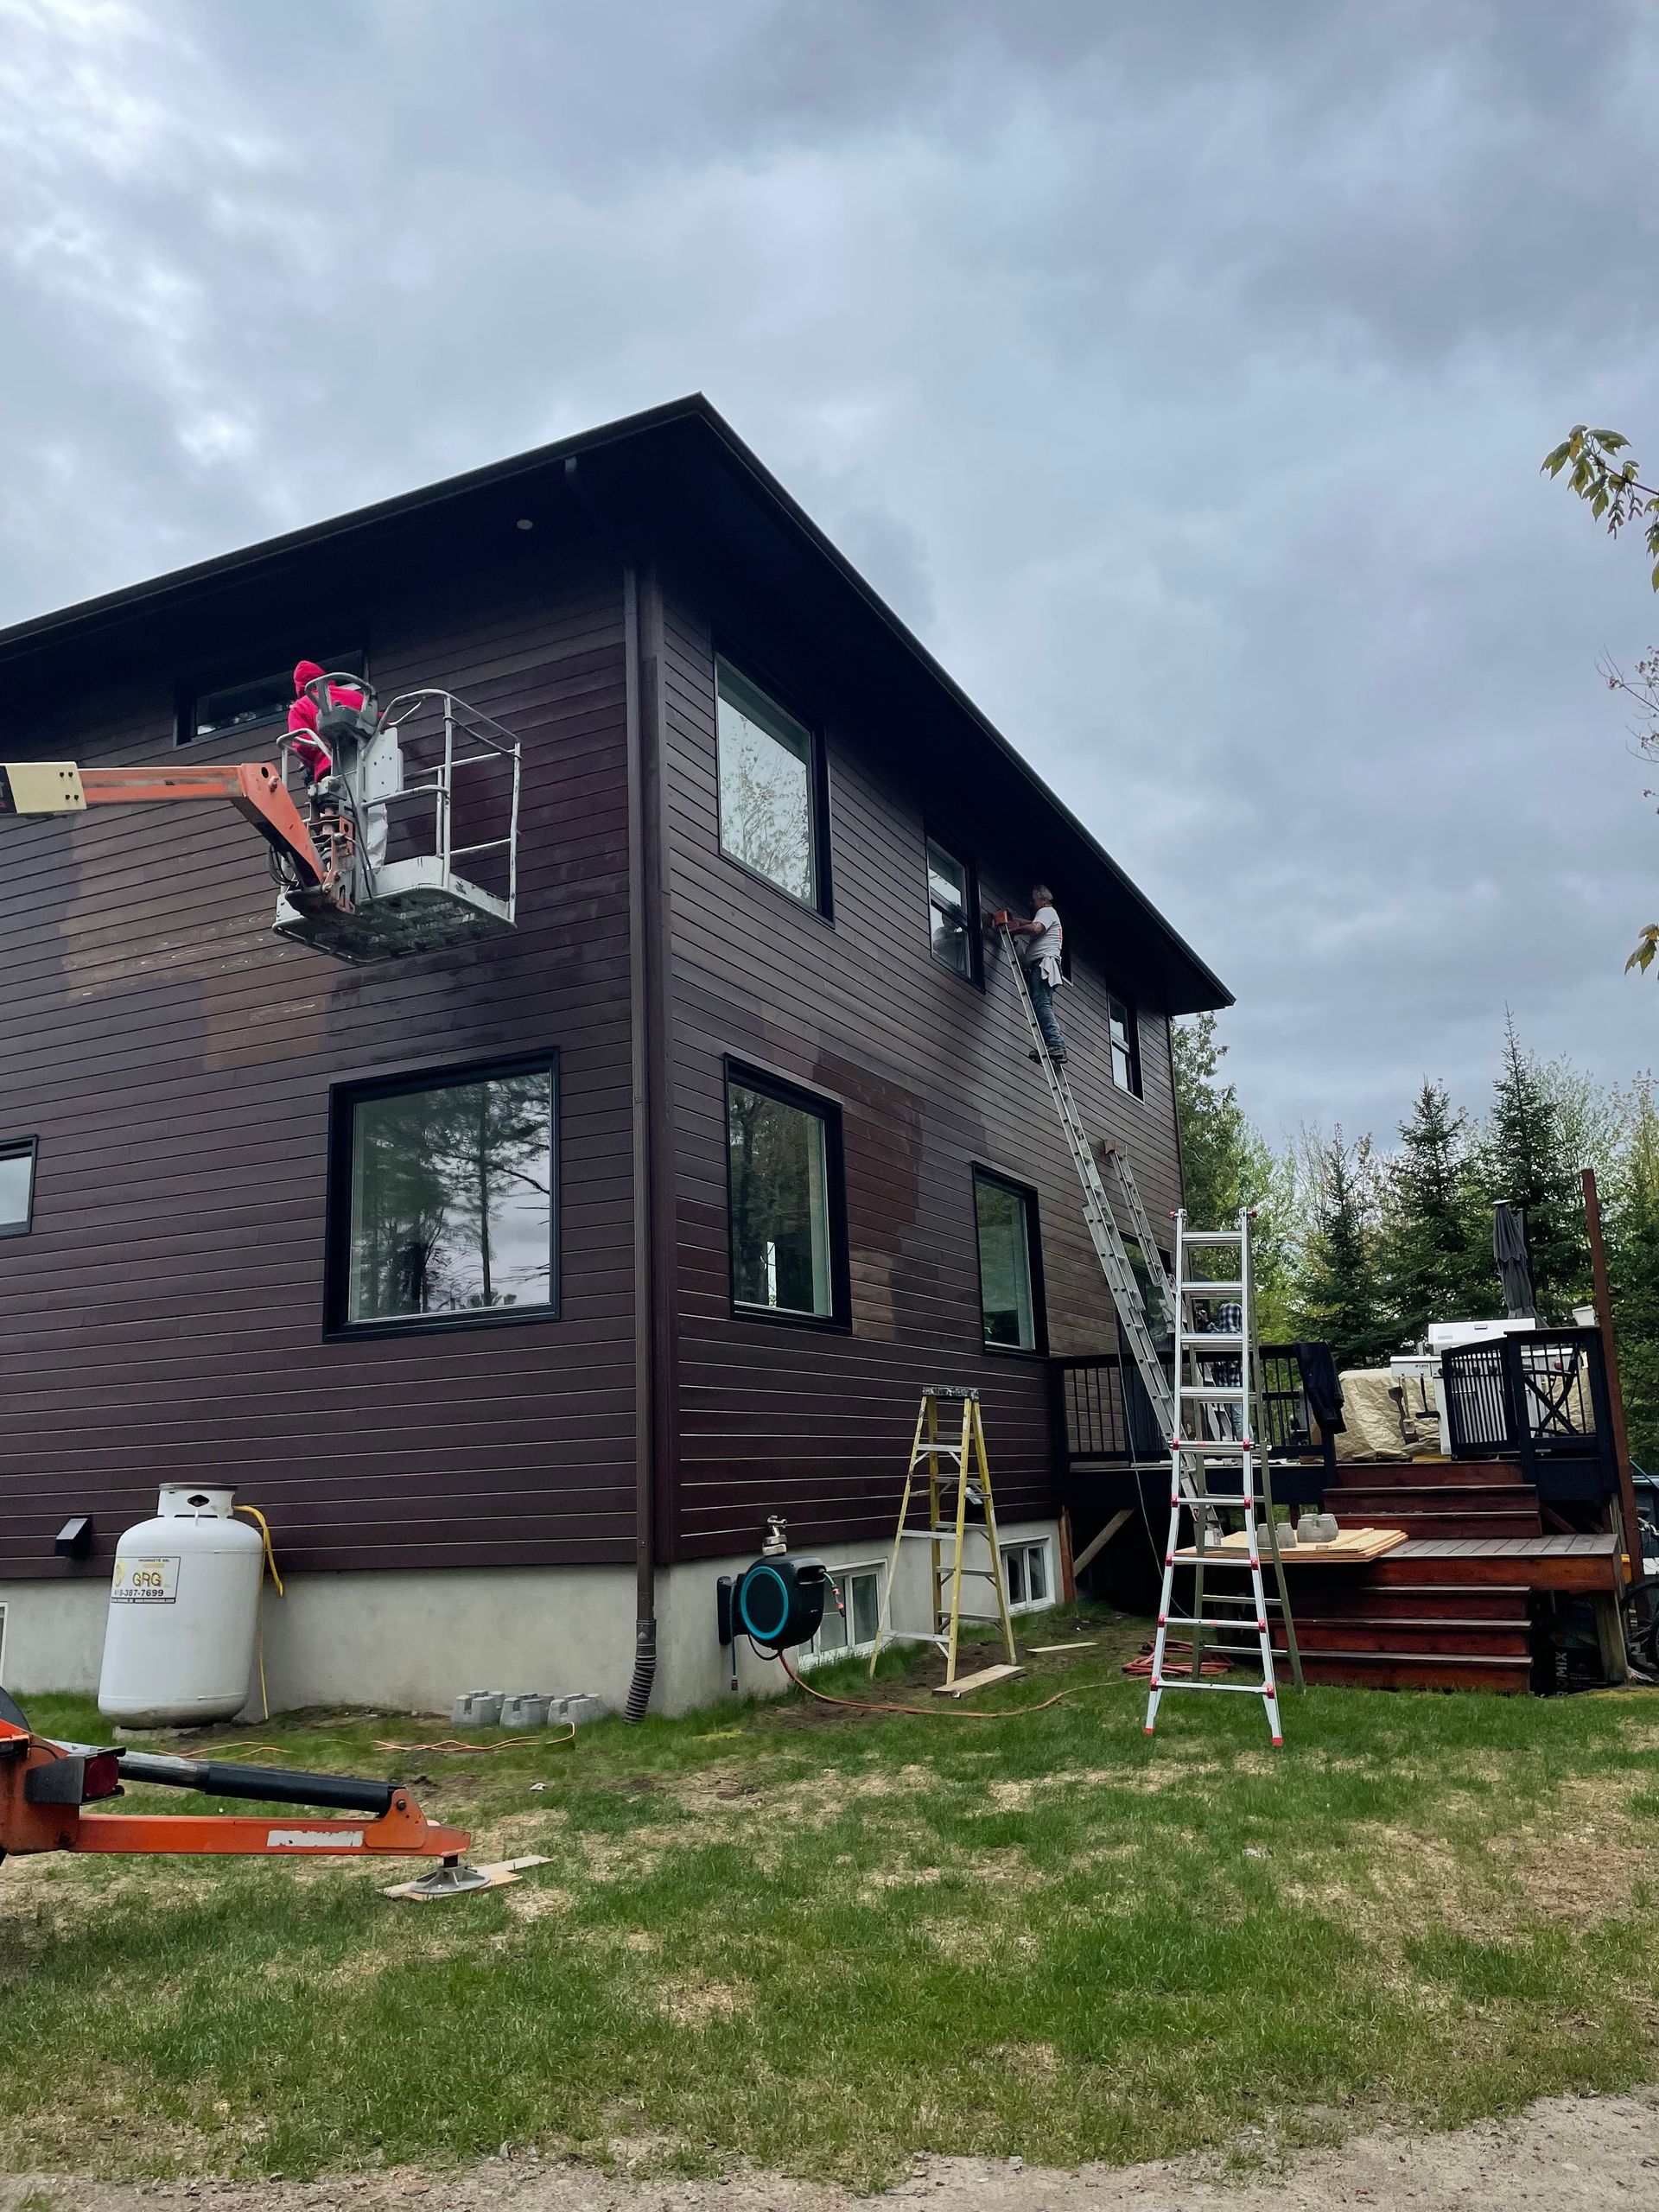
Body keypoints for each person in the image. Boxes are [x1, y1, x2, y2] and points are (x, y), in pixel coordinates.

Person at [1007, 883, 1066, 1063]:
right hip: (1043, 965)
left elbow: (1035, 928)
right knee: (1042, 1004)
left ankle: (1055, 1045)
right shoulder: (1048, 914)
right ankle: (1053, 1045)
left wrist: (1014, 930)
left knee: (1042, 1004)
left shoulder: (1046, 911)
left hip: (1043, 964)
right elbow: (1031, 924)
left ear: (1042, 899)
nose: (1031, 903)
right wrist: (1016, 920)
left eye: (1033, 900)